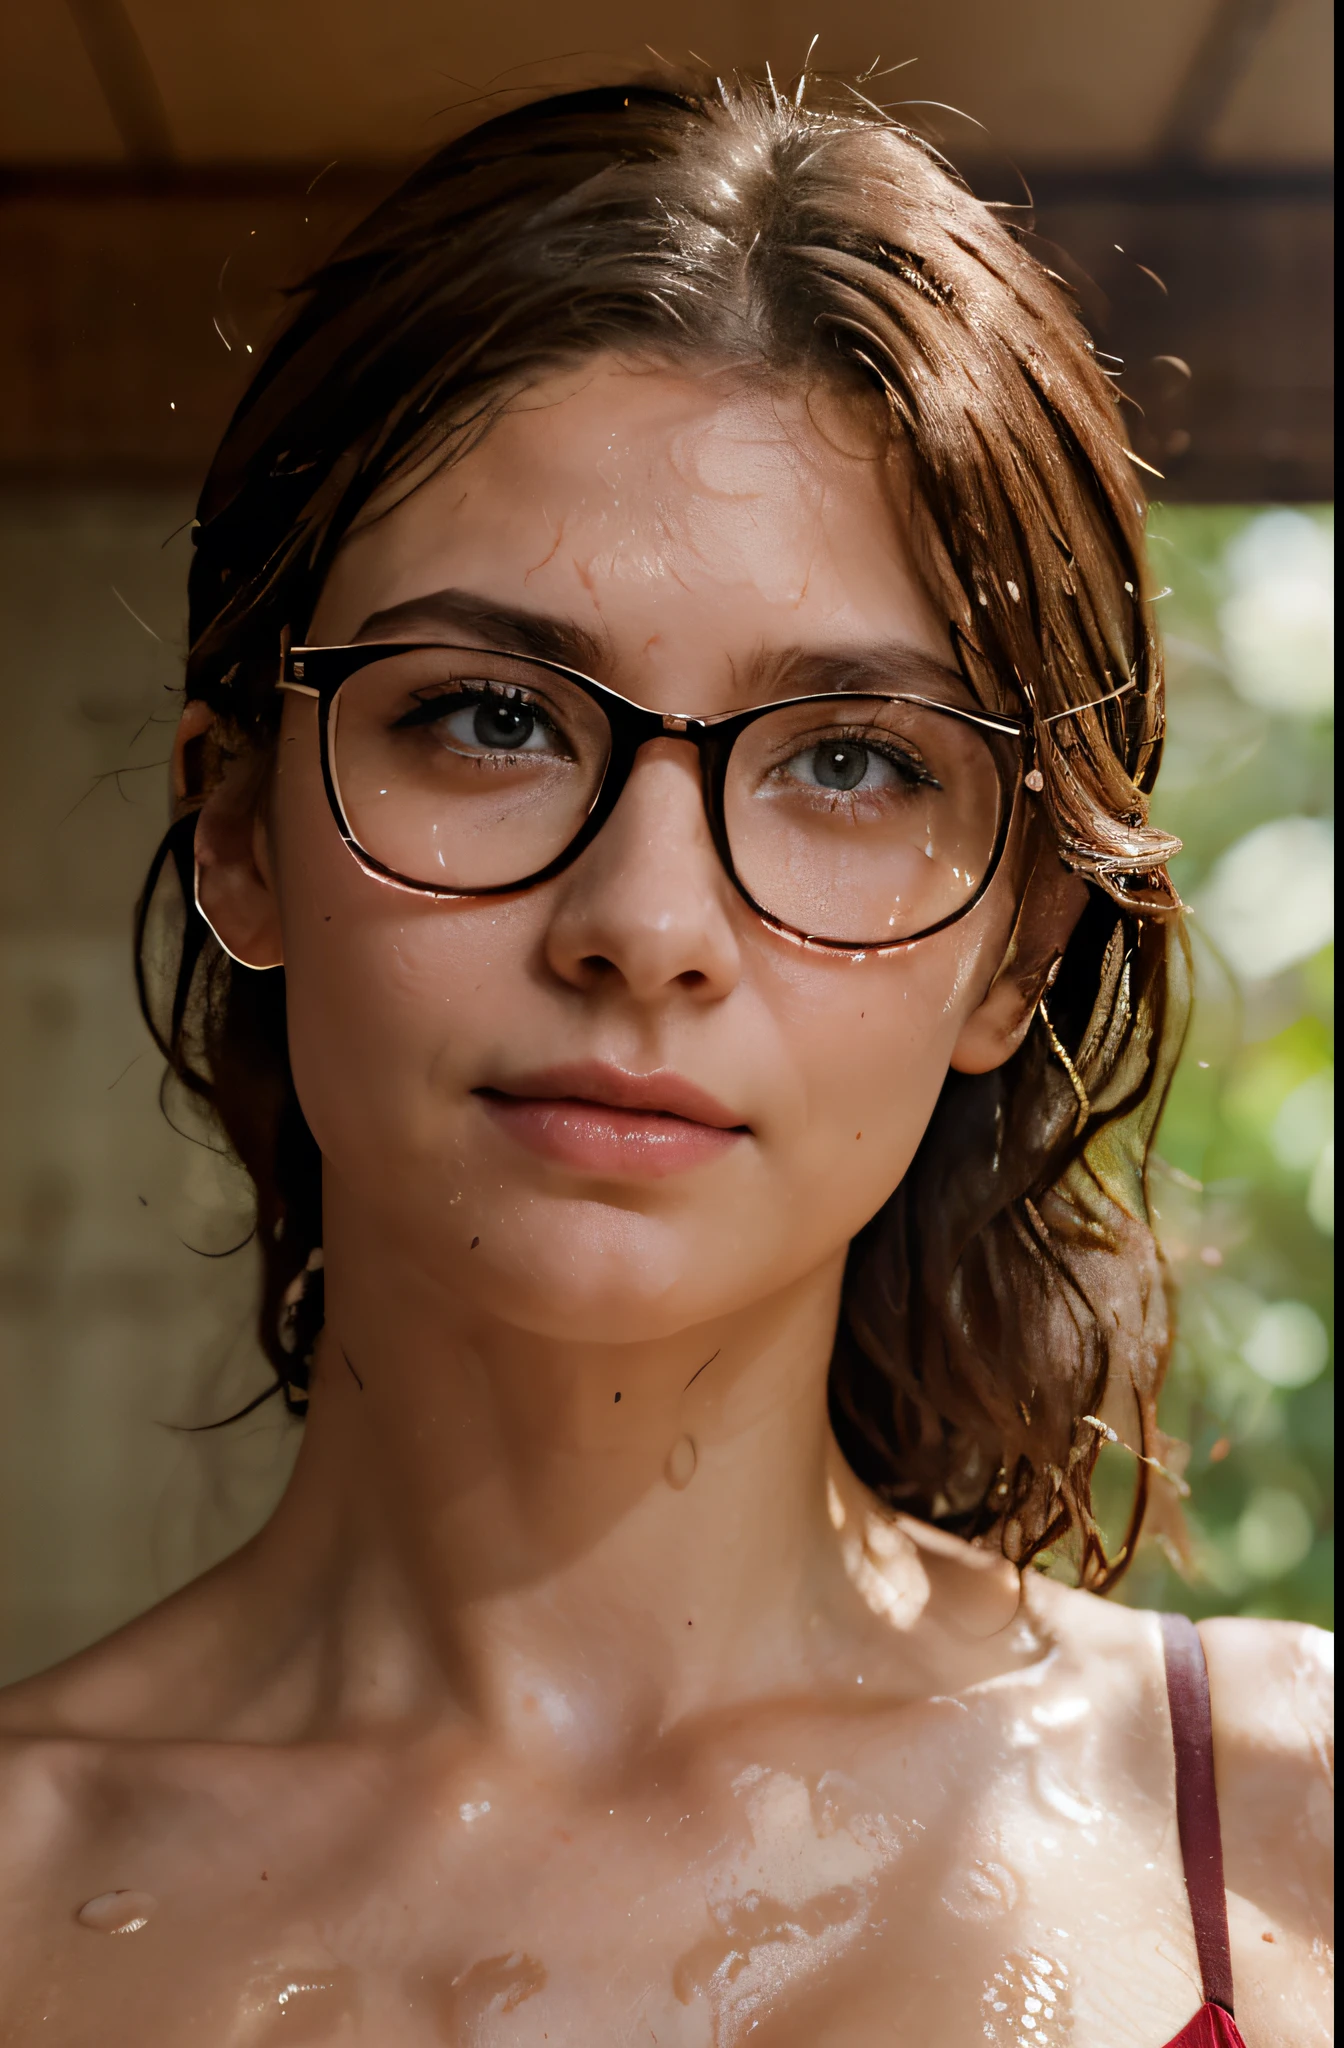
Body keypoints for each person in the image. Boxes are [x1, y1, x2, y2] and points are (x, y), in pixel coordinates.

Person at [0, 76, 1330, 2048]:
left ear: (1014, 946)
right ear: (240, 831)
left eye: (852, 761)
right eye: (486, 719)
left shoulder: (1287, 1849)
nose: (649, 920)